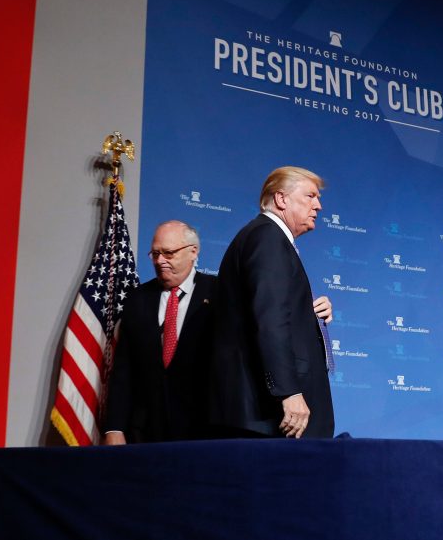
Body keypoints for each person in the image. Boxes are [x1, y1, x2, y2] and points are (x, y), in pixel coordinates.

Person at [210, 166, 335, 439]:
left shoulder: (265, 237)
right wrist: (288, 391)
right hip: (269, 416)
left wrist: (308, 313)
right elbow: (270, 319)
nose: (319, 205)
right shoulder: (268, 237)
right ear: (281, 199)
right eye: (310, 196)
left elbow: (270, 307)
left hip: (267, 415)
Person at [103, 221, 216, 444]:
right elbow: (124, 369)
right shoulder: (138, 299)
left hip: (203, 431)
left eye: (169, 253)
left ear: (193, 252)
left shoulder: (219, 293)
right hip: (145, 432)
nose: (160, 261)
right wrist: (114, 428)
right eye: (155, 254)